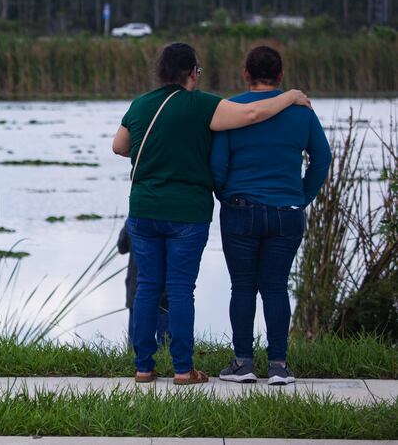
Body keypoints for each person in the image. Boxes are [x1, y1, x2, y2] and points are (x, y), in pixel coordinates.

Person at [111, 42, 311, 385]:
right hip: (187, 214)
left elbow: (119, 146)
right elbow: (251, 114)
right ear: (192, 73)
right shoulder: (203, 106)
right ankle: (182, 369)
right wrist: (289, 96)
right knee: (179, 289)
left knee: (146, 287)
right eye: (198, 72)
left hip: (143, 211)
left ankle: (143, 367)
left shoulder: (141, 104)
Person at [211, 46, 331, 386]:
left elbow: (218, 165)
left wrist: (225, 195)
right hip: (287, 212)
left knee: (243, 287)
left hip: (241, 210)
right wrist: (302, 196)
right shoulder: (302, 113)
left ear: (245, 74)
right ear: (280, 76)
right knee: (276, 286)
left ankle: (243, 363)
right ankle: (279, 365)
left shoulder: (230, 110)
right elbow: (322, 159)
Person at [116, 226, 169, 348]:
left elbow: (121, 247)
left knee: (135, 344)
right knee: (165, 343)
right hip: (164, 291)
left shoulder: (133, 220)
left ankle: (136, 363)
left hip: (136, 291)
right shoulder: (169, 218)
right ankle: (165, 362)